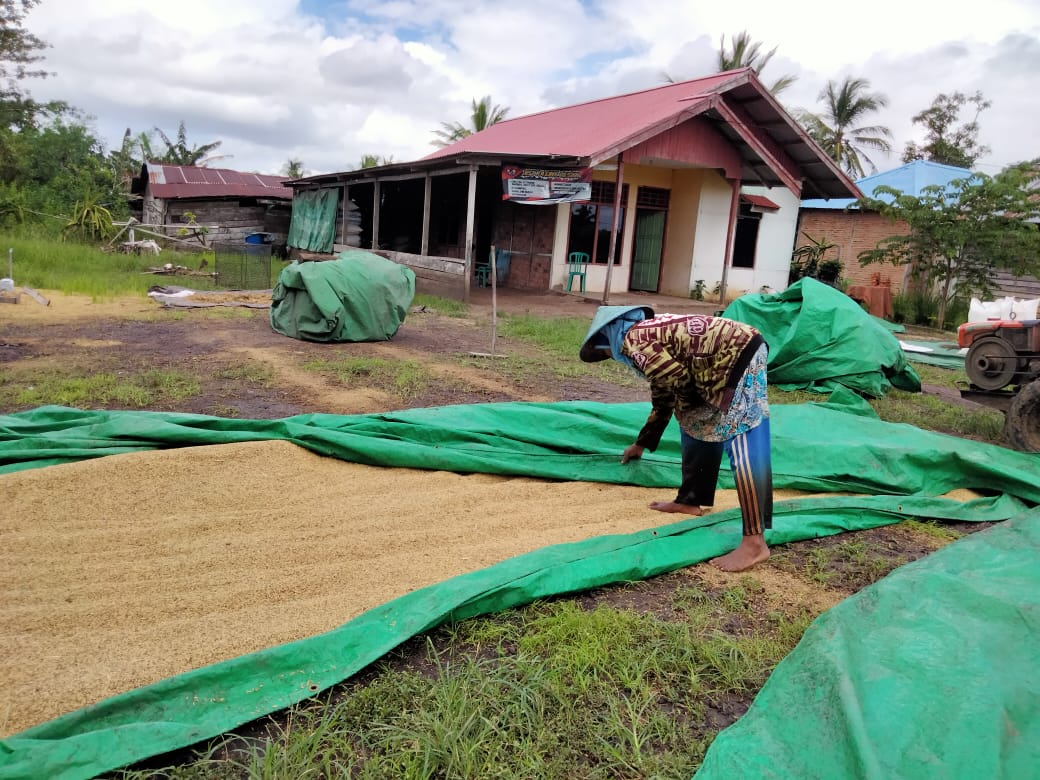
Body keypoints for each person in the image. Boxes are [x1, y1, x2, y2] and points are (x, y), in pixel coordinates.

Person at [579, 305, 772, 572]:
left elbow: (676, 380)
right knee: (693, 419)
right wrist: (642, 443)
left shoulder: (633, 341)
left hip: (736, 355)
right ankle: (690, 501)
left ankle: (755, 543)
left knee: (743, 437)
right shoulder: (647, 334)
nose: (612, 356)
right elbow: (663, 393)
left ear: (608, 338)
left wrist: (688, 405)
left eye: (605, 352)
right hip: (726, 357)